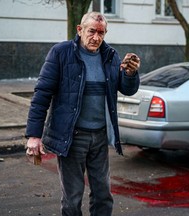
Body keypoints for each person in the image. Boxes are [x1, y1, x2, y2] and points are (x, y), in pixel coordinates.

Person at [25, 11, 140, 216]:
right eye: (92, 31)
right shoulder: (61, 53)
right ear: (80, 30)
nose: (96, 37)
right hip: (72, 137)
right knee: (72, 199)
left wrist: (130, 74)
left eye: (101, 33)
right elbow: (42, 94)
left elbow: (126, 88)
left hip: (100, 137)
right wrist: (34, 135)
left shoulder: (110, 56)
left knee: (103, 195)